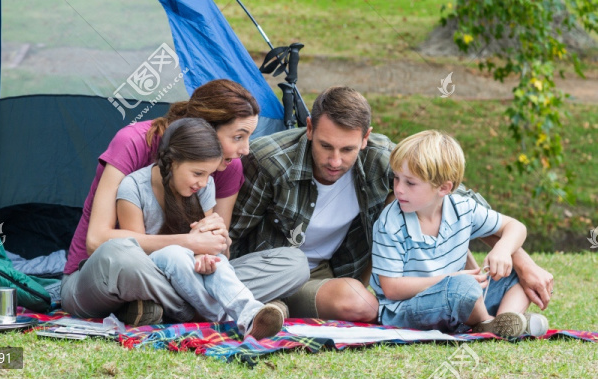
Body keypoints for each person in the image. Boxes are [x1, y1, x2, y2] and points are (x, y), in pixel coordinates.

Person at [229, 86, 555, 323]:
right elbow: (233, 233)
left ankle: (274, 310)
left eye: (348, 149)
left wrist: (525, 266)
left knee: (362, 306)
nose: (334, 160)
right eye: (326, 145)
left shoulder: (382, 159)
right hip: (271, 267)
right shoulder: (269, 162)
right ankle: (267, 302)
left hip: (330, 273)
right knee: (292, 271)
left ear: (366, 138)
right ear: (310, 128)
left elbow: (457, 201)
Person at [61, 79, 308, 325]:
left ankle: (163, 308)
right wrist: (187, 241)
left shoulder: (227, 169)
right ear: (205, 131)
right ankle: (218, 310)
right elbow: (95, 241)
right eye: (238, 137)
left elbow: (217, 252)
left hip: (184, 273)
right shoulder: (134, 143)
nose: (245, 149)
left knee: (294, 264)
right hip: (104, 274)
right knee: (121, 255)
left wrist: (218, 244)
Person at [116, 118, 287, 339]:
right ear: (171, 161)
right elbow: (134, 256)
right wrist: (188, 244)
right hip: (154, 278)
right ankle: (226, 315)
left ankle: (251, 313)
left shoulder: (203, 187)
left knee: (219, 264)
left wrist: (208, 255)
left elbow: (211, 246)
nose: (204, 183)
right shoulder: (133, 187)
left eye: (209, 174)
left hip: (191, 276)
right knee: (174, 254)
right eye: (198, 173)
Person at [372, 130, 549, 336]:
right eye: (396, 178)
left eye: (410, 183)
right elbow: (392, 288)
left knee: (523, 273)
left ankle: (503, 322)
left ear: (444, 188)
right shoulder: (391, 222)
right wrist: (450, 279)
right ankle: (486, 323)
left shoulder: (463, 208)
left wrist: (502, 249)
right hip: (406, 310)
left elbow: (516, 227)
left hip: (462, 298)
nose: (399, 189)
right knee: (462, 288)